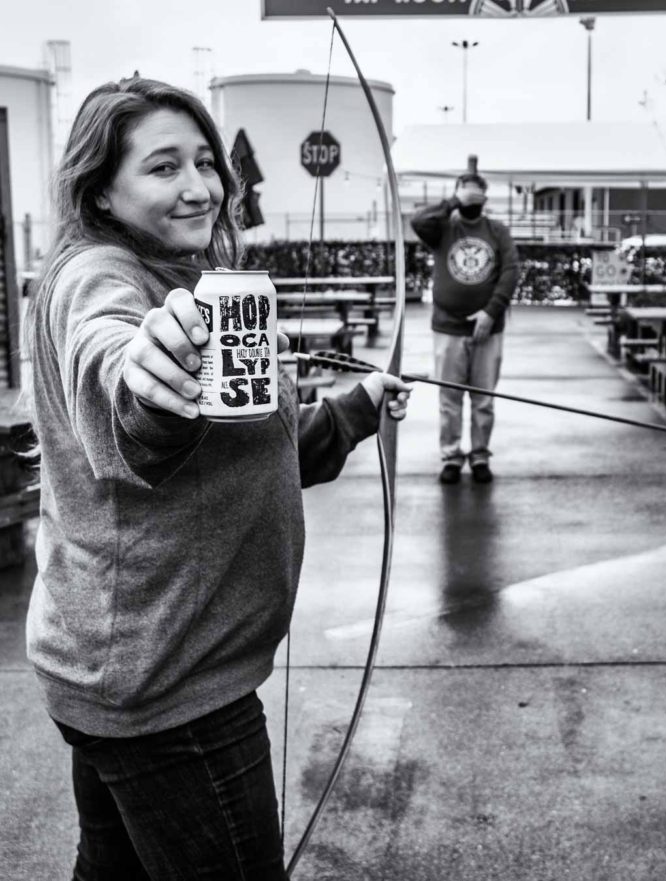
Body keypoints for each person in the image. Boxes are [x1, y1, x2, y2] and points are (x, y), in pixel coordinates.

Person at [25, 77, 410, 881]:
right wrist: (147, 384)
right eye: (162, 167)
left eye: (204, 161)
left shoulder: (180, 277)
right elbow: (119, 372)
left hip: (121, 672)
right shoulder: (102, 278)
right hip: (170, 689)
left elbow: (243, 446)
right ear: (101, 187)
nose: (199, 185)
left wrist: (350, 410)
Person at [410, 171, 519, 485]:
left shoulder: (497, 231)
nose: (471, 198)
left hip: (488, 329)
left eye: (476, 193)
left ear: (485, 197)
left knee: (483, 398)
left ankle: (481, 454)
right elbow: (418, 221)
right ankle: (452, 455)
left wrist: (491, 311)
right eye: (465, 192)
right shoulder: (443, 229)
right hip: (448, 328)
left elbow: (510, 271)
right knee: (449, 398)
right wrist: (454, 202)